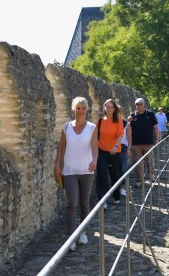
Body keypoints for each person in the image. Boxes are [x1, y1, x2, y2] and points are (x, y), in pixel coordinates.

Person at [54, 97, 98, 251]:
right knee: (72, 203)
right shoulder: (66, 127)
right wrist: (57, 165)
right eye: (77, 108)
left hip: (86, 170)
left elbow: (94, 147)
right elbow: (61, 148)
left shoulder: (92, 127)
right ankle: (71, 238)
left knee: (84, 202)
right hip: (69, 171)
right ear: (73, 109)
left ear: (87, 110)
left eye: (83, 108)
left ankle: (83, 232)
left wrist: (95, 161)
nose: (80, 111)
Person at [95, 98, 124, 208]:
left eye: (112, 107)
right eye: (108, 106)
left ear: (114, 108)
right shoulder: (100, 121)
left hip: (115, 152)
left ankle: (116, 196)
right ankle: (102, 200)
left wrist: (116, 146)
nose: (110, 108)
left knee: (115, 174)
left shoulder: (118, 120)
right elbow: (95, 135)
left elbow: (120, 135)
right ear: (104, 108)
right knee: (102, 175)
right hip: (102, 151)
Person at [129, 98, 158, 188]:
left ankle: (152, 176)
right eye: (137, 104)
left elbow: (156, 128)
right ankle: (139, 180)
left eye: (140, 104)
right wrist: (128, 121)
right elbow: (127, 129)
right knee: (138, 163)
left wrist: (157, 139)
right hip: (136, 144)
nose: (138, 106)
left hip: (148, 143)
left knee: (150, 161)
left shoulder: (150, 114)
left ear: (144, 105)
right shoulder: (132, 116)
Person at [118, 106, 132, 197]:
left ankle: (121, 187)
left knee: (122, 168)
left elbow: (129, 137)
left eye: (118, 111)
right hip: (113, 147)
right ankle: (115, 188)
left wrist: (129, 148)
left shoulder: (126, 124)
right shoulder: (111, 122)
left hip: (123, 147)